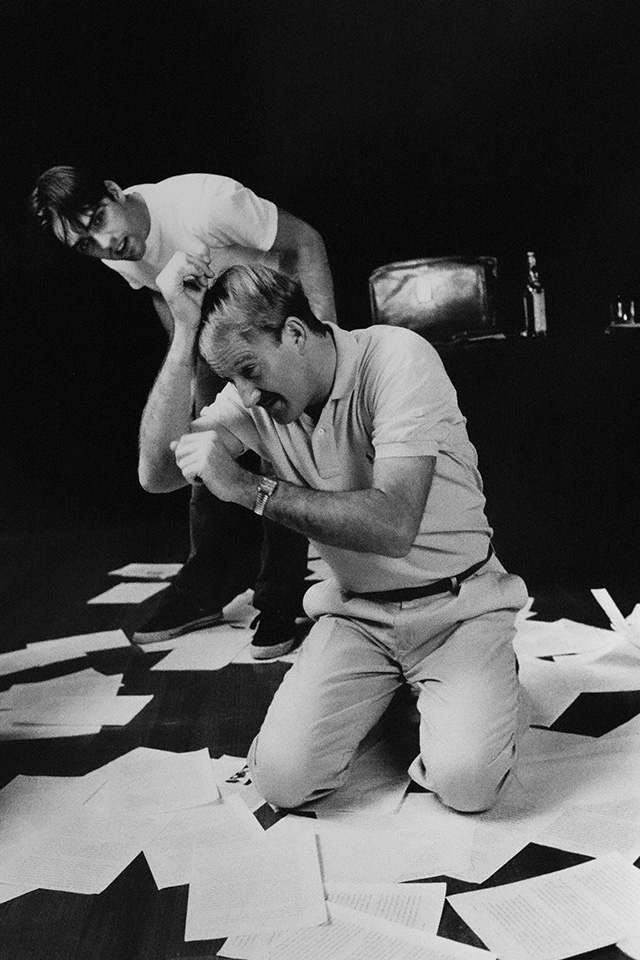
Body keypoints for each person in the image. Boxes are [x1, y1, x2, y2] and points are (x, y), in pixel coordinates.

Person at [138, 252, 529, 813]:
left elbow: (394, 525)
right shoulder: (259, 398)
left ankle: (485, 684)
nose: (245, 395)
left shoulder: (396, 357)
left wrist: (252, 489)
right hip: (355, 614)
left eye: (248, 371)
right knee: (282, 781)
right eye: (230, 379)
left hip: (460, 609)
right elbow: (155, 475)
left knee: (467, 785)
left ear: (294, 333)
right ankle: (410, 697)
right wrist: (183, 334)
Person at [29, 166, 336, 658]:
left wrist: (323, 340)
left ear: (114, 191)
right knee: (197, 447)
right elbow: (159, 291)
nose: (105, 242)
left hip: (280, 332)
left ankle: (281, 595)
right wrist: (190, 363)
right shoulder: (114, 251)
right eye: (84, 243)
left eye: (99, 219)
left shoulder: (205, 203)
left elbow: (307, 242)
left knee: (281, 449)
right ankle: (209, 581)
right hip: (218, 334)